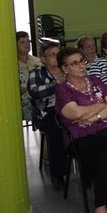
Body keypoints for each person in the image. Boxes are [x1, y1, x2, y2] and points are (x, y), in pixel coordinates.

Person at [55, 47, 107, 213]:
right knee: (105, 152)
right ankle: (101, 210)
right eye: (74, 63)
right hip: (80, 135)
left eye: (81, 61)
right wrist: (101, 105)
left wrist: (94, 117)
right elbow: (74, 113)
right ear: (64, 68)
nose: (81, 65)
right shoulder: (62, 89)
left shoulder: (96, 80)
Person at [28, 40, 67, 189]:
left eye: (58, 54)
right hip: (48, 112)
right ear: (43, 59)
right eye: (52, 55)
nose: (56, 57)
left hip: (70, 108)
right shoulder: (37, 73)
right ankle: (58, 174)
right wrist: (56, 84)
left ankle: (88, 170)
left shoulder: (67, 69)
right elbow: (36, 92)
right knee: (57, 131)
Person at [17, 31, 41, 123]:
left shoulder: (36, 61)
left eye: (28, 41)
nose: (27, 44)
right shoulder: (12, 64)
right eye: (22, 42)